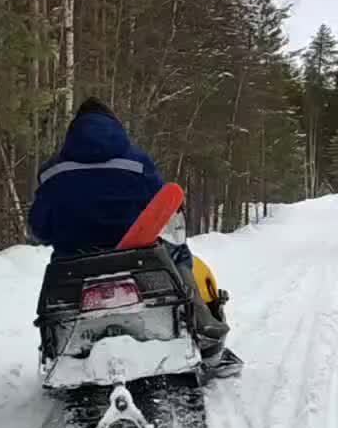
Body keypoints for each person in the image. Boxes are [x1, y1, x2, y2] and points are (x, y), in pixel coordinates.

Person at [29, 98, 227, 342]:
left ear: (74, 130)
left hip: (73, 262)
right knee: (179, 252)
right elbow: (162, 208)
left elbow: (39, 228)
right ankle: (201, 322)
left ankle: (56, 341)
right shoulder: (137, 162)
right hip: (136, 257)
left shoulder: (51, 171)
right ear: (114, 126)